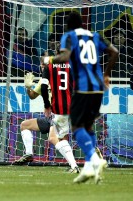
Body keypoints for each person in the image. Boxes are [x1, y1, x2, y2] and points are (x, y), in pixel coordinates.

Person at [42, 11, 119, 184]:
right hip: (98, 88)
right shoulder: (95, 35)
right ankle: (91, 166)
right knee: (88, 127)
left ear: (68, 26)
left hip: (82, 89)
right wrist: (106, 75)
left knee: (77, 128)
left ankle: (94, 159)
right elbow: (114, 52)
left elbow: (65, 56)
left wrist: (49, 59)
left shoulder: (69, 36)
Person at [40, 46, 80, 173]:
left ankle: (74, 166)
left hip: (59, 108)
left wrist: (47, 105)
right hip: (72, 106)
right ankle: (73, 165)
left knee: (59, 138)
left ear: (56, 54)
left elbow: (43, 88)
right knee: (60, 136)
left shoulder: (49, 67)